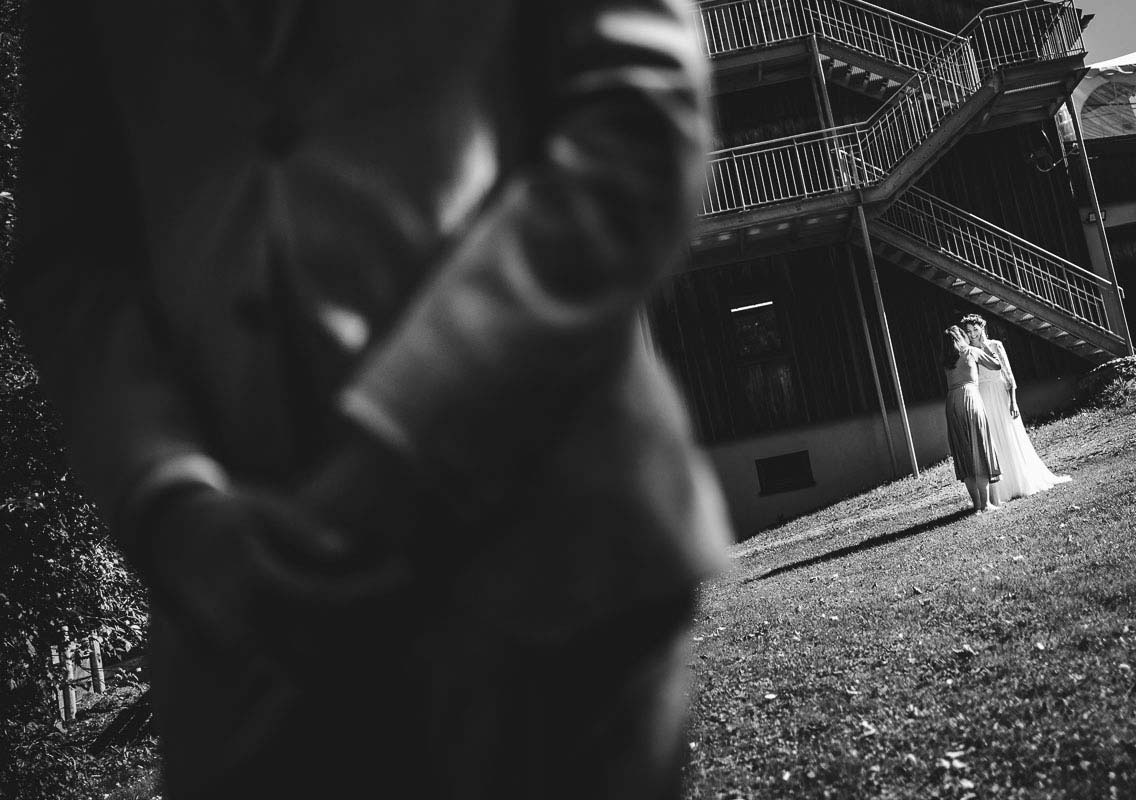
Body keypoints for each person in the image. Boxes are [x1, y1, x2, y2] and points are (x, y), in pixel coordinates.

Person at [9, 1, 732, 798]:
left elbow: (635, 120)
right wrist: (167, 495)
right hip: (240, 633)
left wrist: (404, 438)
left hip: (547, 568)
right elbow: (69, 250)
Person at [961, 314, 1071, 501]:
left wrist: (1013, 401)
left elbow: (1009, 374)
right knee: (993, 438)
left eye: (975, 330)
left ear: (982, 328)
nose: (972, 334)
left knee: (1010, 434)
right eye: (969, 331)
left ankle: (1021, 480)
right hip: (984, 396)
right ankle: (1002, 488)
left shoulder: (996, 345)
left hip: (1001, 393)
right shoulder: (969, 351)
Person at [943, 325, 1004, 513]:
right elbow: (996, 365)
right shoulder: (971, 351)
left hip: (952, 401)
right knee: (980, 447)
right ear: (962, 337)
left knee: (964, 452)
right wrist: (984, 346)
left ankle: (976, 504)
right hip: (971, 397)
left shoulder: (946, 359)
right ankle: (986, 504)